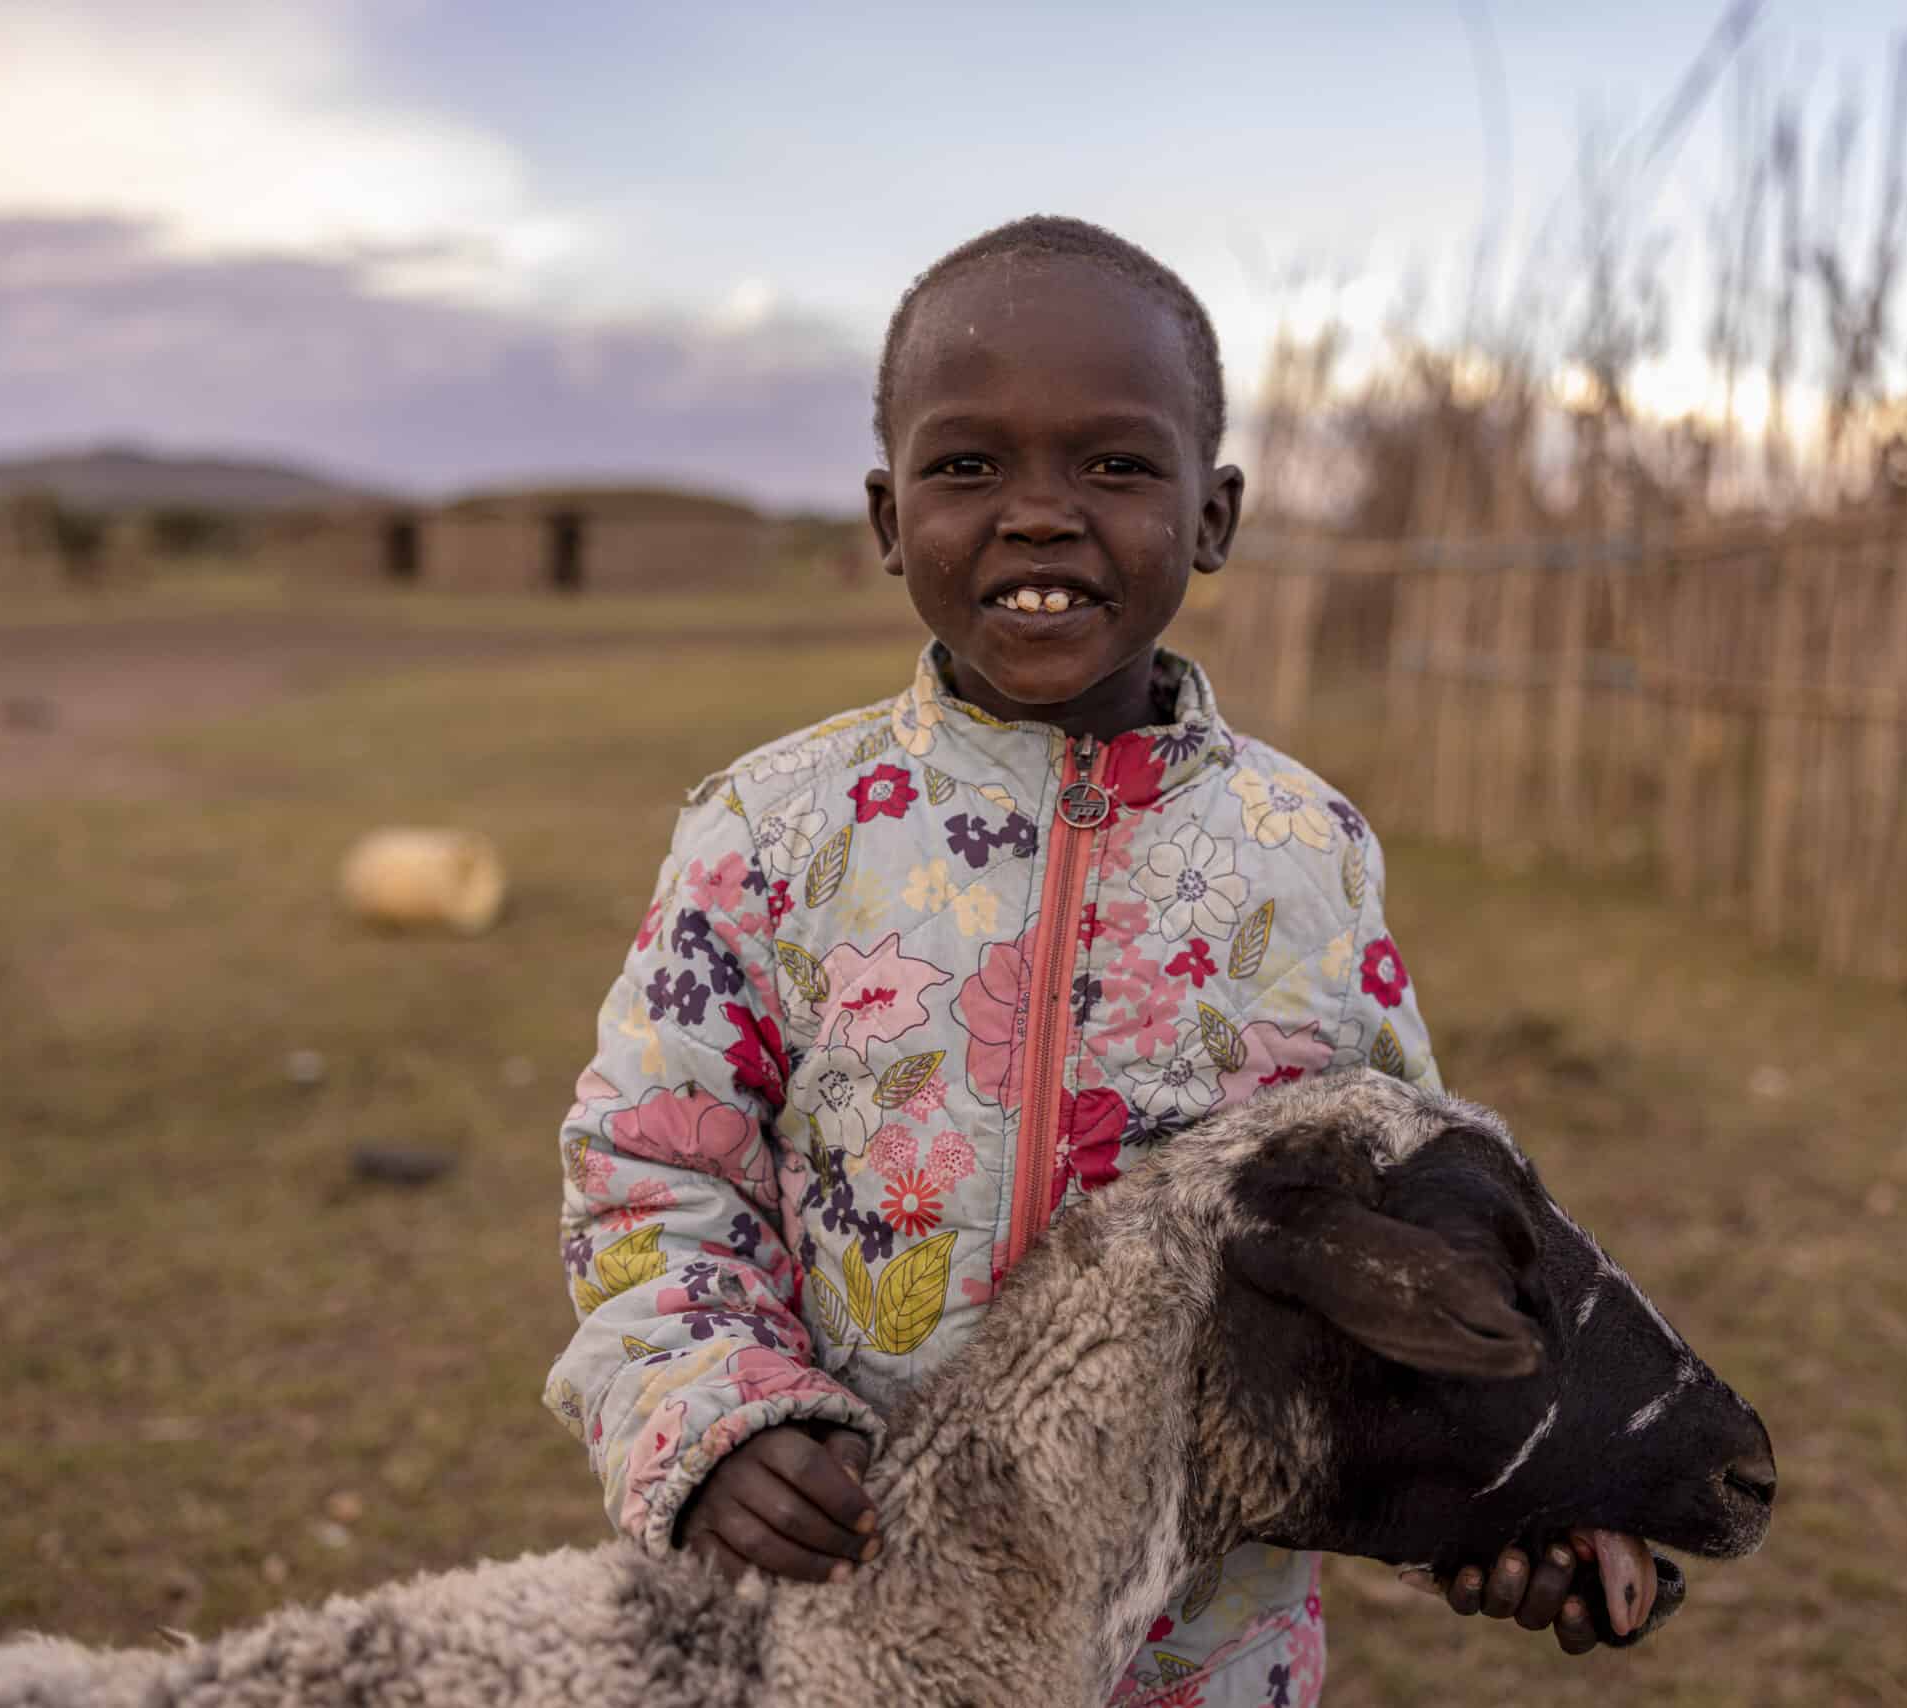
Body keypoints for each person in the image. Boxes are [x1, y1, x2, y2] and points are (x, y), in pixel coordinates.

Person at [544, 215, 1664, 1707]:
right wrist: (721, 1419)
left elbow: (1415, 1222)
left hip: (1200, 1647)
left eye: (1116, 466)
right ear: (889, 520)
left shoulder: (1303, 848)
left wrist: (1532, 1481)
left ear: (1214, 515)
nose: (1038, 515)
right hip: (855, 1611)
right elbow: (651, 1175)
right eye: (967, 467)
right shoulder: (767, 832)